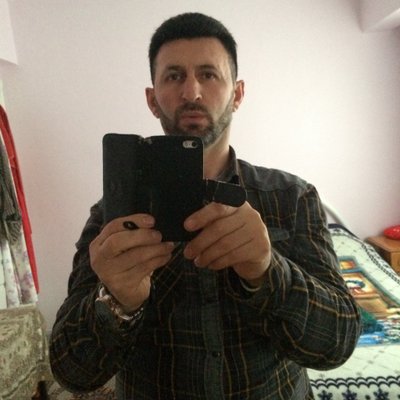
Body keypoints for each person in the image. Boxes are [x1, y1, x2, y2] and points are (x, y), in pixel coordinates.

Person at [50, 12, 361, 399]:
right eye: (174, 76)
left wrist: (267, 271)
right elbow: (71, 372)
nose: (192, 92)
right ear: (152, 100)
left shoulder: (292, 198)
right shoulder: (112, 218)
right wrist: (116, 302)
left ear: (238, 94)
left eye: (209, 74)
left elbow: (337, 343)